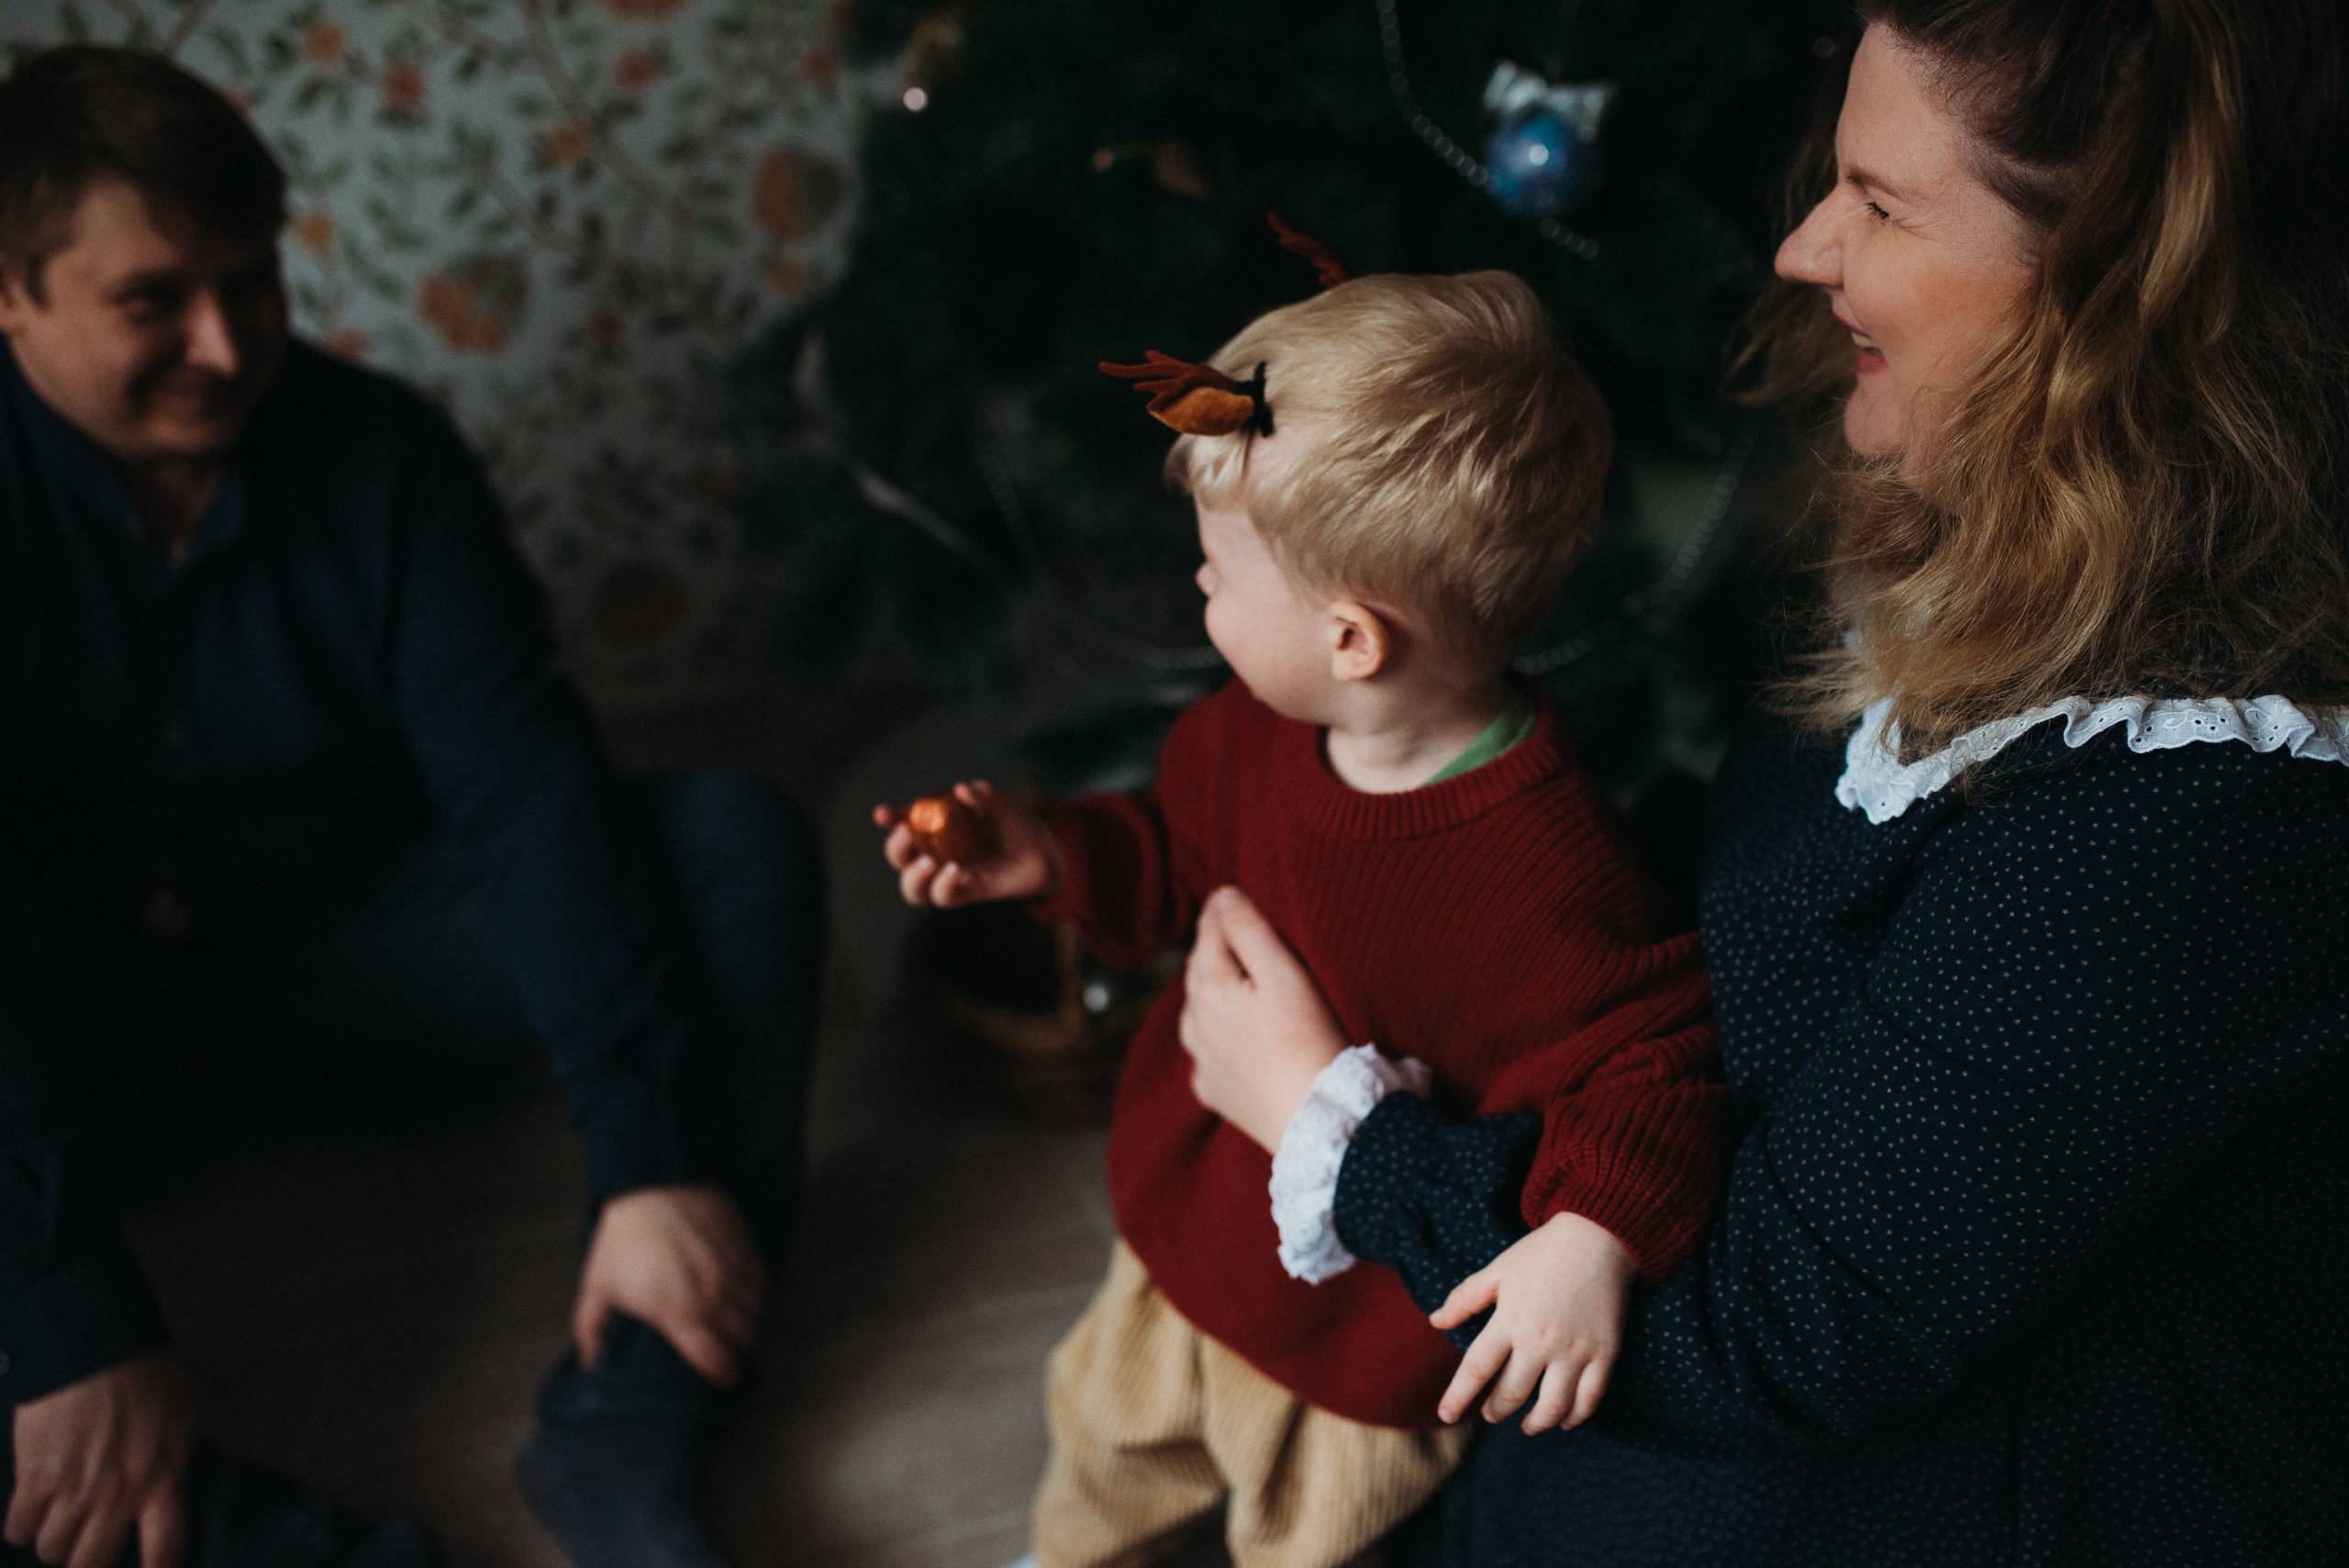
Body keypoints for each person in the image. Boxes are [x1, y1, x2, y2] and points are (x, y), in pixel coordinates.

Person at [1173, 1, 2349, 1563]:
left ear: (2114, 293)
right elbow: (1750, 900)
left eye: (1881, 204)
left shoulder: (2183, 829)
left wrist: (1331, 1121)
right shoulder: (1992, 548)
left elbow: (1770, 1332)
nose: (1804, 247)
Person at [0, 46, 823, 1568]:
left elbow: (527, 795)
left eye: (252, 282)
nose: (224, 343)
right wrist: (71, 1326)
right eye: (151, 301)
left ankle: (636, 1414)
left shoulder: (382, 454)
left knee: (729, 847)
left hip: (354, 964)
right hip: (74, 1026)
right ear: (10, 294)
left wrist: (649, 1156)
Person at [875, 269, 1732, 1568]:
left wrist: (1592, 1236)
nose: (1198, 590)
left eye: (1217, 574)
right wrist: (1047, 854)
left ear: (1350, 641)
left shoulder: (1550, 871)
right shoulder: (1254, 733)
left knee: (1313, 1540)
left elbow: (1656, 1056)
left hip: (1357, 1340)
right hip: (1194, 1232)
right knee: (1104, 1429)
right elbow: (1179, 857)